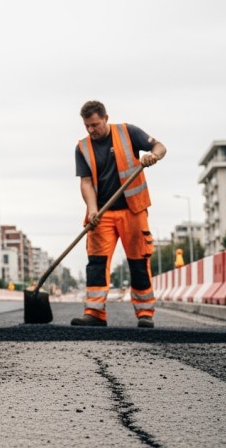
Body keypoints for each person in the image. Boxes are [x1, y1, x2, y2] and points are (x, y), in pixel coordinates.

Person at [72, 100, 167, 328]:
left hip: (133, 210)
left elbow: (161, 147)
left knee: (137, 261)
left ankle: (145, 313)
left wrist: (152, 156)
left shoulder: (128, 132)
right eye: (87, 126)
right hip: (102, 214)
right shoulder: (82, 147)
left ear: (106, 118)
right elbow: (86, 183)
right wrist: (93, 209)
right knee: (96, 263)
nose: (91, 130)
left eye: (95, 124)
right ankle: (94, 313)